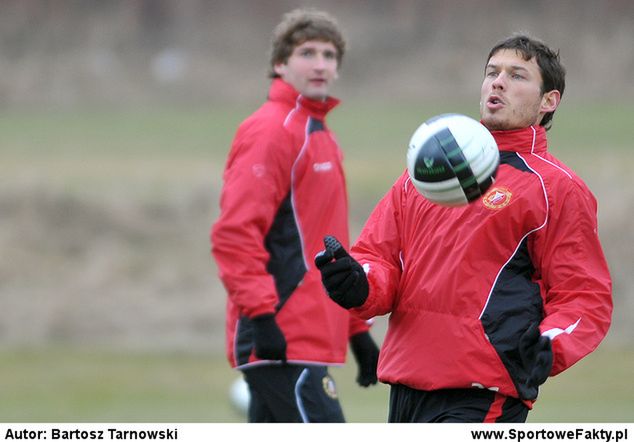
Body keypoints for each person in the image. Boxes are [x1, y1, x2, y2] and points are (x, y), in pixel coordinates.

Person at [315, 34, 612, 423]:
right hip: (406, 381)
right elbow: (379, 258)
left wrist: (550, 344)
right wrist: (358, 282)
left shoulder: (555, 188)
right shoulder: (428, 171)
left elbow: (584, 295)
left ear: (548, 102)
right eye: (492, 72)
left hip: (482, 391)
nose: (498, 82)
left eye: (517, 75)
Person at [211, 8, 379, 423]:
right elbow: (234, 234)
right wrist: (263, 317)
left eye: (329, 54)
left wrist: (356, 331)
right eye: (307, 52)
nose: (320, 63)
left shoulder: (318, 132)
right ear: (280, 64)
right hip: (280, 337)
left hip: (309, 335)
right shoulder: (270, 130)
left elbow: (326, 246)